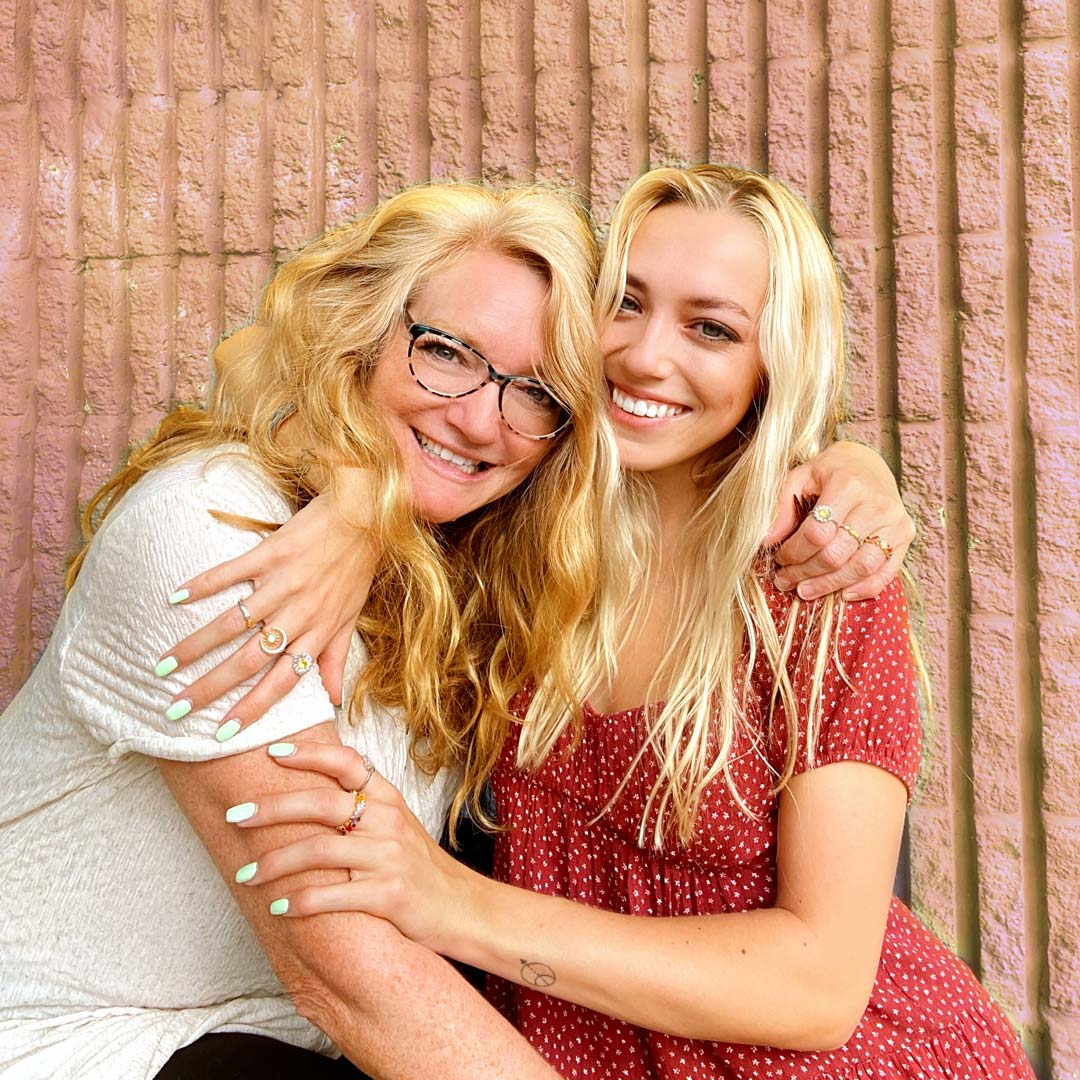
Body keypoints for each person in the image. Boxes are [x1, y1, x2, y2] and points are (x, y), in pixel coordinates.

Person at [227, 166, 1036, 1079]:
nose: (647, 357)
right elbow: (268, 350)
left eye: (712, 328)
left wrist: (451, 904)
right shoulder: (514, 520)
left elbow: (820, 987)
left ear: (772, 364)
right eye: (626, 303)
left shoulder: (816, 582)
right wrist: (352, 498)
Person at [0, 181, 615, 1080]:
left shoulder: (470, 570)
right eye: (446, 353)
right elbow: (348, 975)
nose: (482, 418)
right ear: (363, 334)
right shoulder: (212, 535)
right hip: (78, 1043)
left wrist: (849, 489)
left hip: (282, 1046)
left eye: (539, 394)